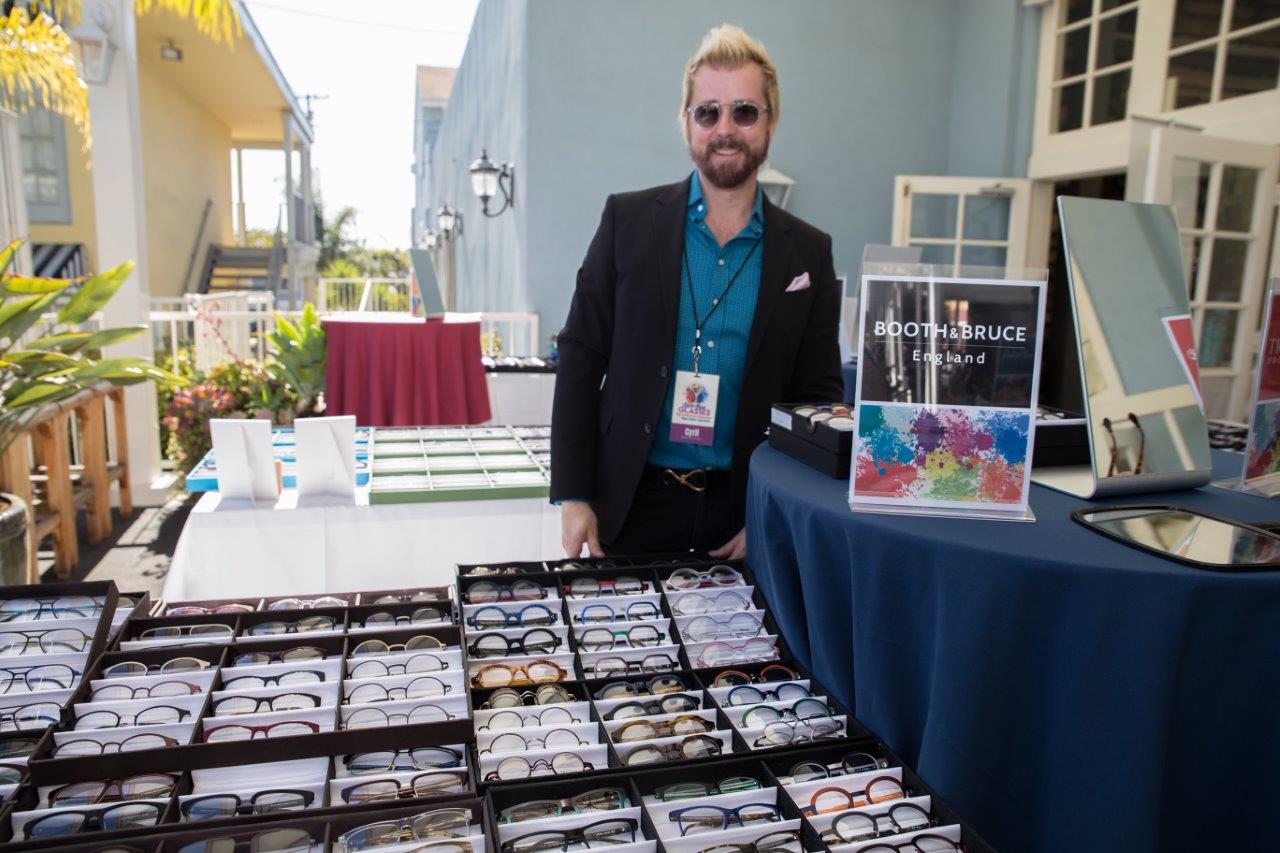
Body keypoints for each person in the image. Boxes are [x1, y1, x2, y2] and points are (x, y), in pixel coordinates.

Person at [550, 24, 842, 559]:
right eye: (708, 112)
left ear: (769, 121)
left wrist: (775, 514)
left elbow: (817, 398)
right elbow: (581, 355)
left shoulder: (809, 253)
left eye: (744, 112)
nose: (724, 128)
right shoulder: (627, 220)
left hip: (744, 512)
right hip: (630, 503)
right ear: (686, 123)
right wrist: (574, 493)